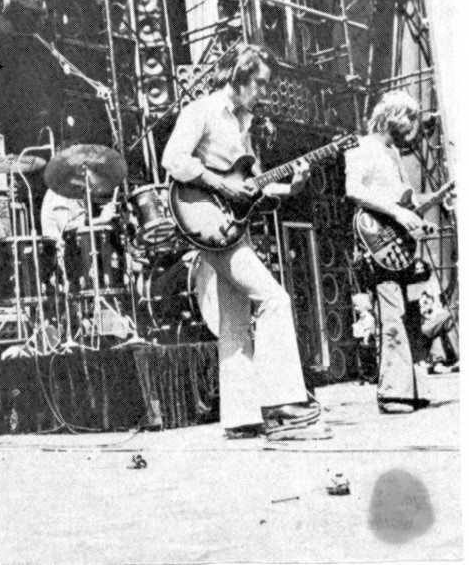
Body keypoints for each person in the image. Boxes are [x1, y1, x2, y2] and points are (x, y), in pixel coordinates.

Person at [161, 44, 324, 439]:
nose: (264, 92)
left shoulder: (243, 124)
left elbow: (251, 188)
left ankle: (240, 417)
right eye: (259, 83)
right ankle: (282, 402)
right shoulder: (201, 110)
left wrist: (291, 187)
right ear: (238, 75)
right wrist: (220, 186)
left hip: (233, 227)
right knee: (274, 299)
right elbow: (173, 159)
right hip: (208, 221)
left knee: (234, 319)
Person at [344, 90, 439, 413]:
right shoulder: (361, 146)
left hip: (397, 242)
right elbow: (354, 190)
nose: (411, 127)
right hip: (376, 241)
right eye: (408, 119)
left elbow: (402, 200)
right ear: (392, 117)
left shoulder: (393, 152)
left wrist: (416, 220)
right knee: (392, 311)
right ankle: (392, 394)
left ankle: (410, 389)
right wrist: (398, 213)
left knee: (408, 312)